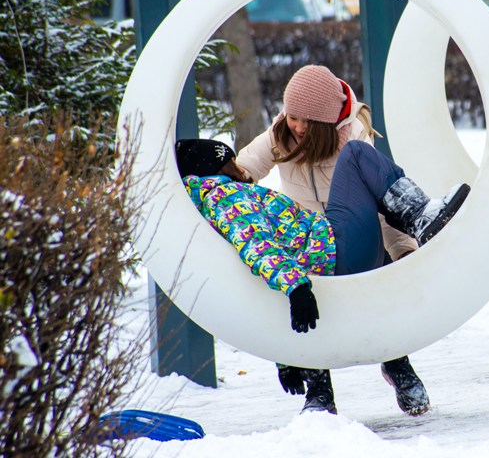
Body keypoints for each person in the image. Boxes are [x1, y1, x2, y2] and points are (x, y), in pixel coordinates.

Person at [175, 137, 469, 416]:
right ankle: (420, 215)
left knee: (313, 302)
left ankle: (335, 392)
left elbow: (265, 267)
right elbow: (258, 245)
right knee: (355, 154)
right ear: (215, 166)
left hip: (326, 261)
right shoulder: (224, 195)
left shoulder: (218, 198)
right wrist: (297, 289)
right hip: (339, 250)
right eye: (230, 162)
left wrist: (286, 352)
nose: (238, 167)